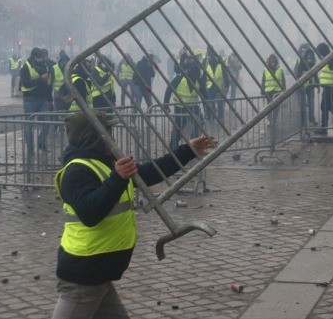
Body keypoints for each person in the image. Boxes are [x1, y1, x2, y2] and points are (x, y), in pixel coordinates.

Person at [50, 111, 216, 318]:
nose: (113, 137)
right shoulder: (76, 171)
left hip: (99, 273)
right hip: (84, 274)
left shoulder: (106, 162)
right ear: (93, 137)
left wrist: (187, 151)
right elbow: (90, 212)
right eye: (108, 132)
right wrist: (117, 178)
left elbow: (150, 173)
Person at [164, 58, 205, 150]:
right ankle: (173, 146)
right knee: (179, 128)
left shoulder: (198, 80)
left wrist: (208, 105)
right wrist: (165, 104)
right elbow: (168, 90)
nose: (196, 78)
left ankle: (193, 143)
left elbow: (204, 93)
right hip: (180, 107)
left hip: (193, 107)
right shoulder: (179, 79)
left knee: (199, 122)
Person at [19, 47, 53, 152]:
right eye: (39, 57)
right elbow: (26, 83)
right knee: (29, 125)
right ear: (34, 56)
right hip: (30, 99)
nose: (42, 59)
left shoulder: (44, 66)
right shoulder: (26, 67)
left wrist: (49, 99)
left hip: (43, 99)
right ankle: (30, 148)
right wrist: (40, 79)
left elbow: (47, 84)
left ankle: (41, 143)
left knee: (46, 123)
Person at [294, 43, 318, 126]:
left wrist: (317, 84)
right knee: (305, 104)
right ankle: (305, 121)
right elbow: (297, 72)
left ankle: (310, 120)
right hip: (304, 85)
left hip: (309, 85)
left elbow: (315, 73)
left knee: (310, 104)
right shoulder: (301, 60)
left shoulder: (312, 60)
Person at [203, 46, 229, 122]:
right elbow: (204, 76)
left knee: (219, 103)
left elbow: (225, 76)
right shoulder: (206, 63)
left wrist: (226, 86)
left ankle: (220, 118)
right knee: (211, 104)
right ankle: (211, 117)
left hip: (219, 88)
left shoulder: (219, 63)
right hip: (209, 87)